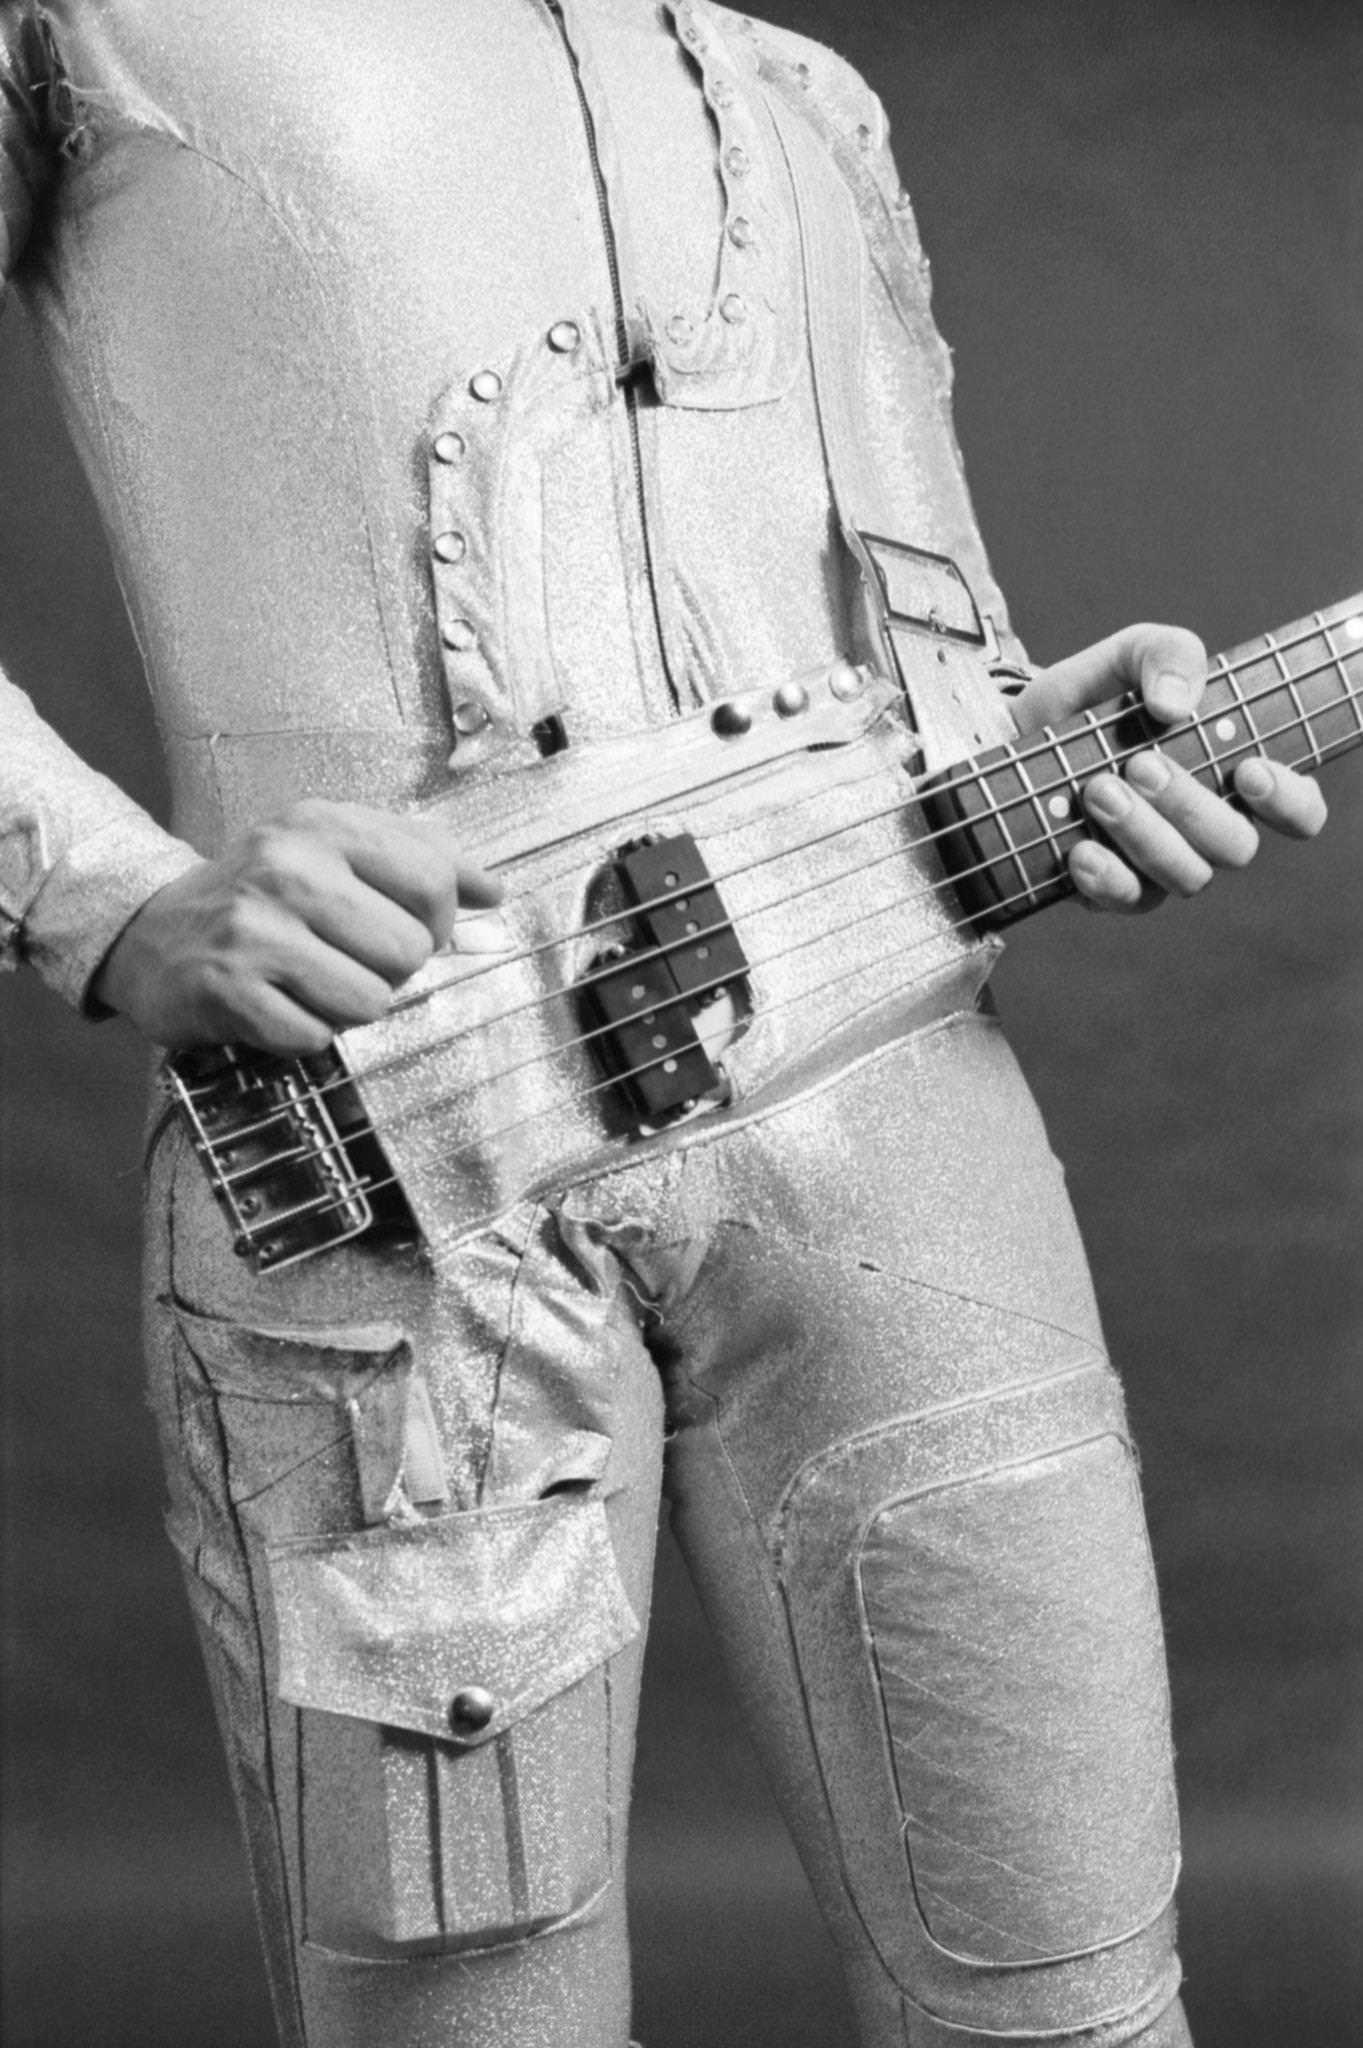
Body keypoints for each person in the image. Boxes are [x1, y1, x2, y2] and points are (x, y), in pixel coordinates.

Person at [0, 4, 1328, 2047]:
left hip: (903, 1098)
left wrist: (1035, 745)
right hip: (403, 1174)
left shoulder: (804, 95)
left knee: (1073, 1998)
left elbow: (909, 661)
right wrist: (110, 897)